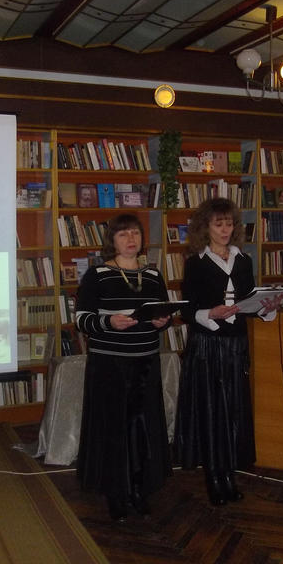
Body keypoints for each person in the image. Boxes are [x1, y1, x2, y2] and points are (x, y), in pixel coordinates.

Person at [175, 198, 282, 506]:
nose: (224, 230)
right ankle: (213, 476)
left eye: (229, 224)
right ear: (205, 227)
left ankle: (229, 474)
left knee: (233, 410)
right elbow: (188, 310)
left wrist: (267, 308)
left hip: (235, 346)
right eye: (218, 224)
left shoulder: (243, 260)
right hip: (207, 346)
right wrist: (210, 313)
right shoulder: (196, 262)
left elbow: (249, 303)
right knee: (212, 411)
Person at [75, 213, 173, 522]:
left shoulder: (154, 275)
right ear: (112, 241)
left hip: (145, 362)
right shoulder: (97, 275)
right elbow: (82, 319)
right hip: (110, 365)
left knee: (142, 429)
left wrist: (162, 321)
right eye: (123, 234)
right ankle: (116, 494)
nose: (131, 239)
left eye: (135, 233)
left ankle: (140, 489)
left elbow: (163, 316)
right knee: (114, 429)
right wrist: (109, 322)